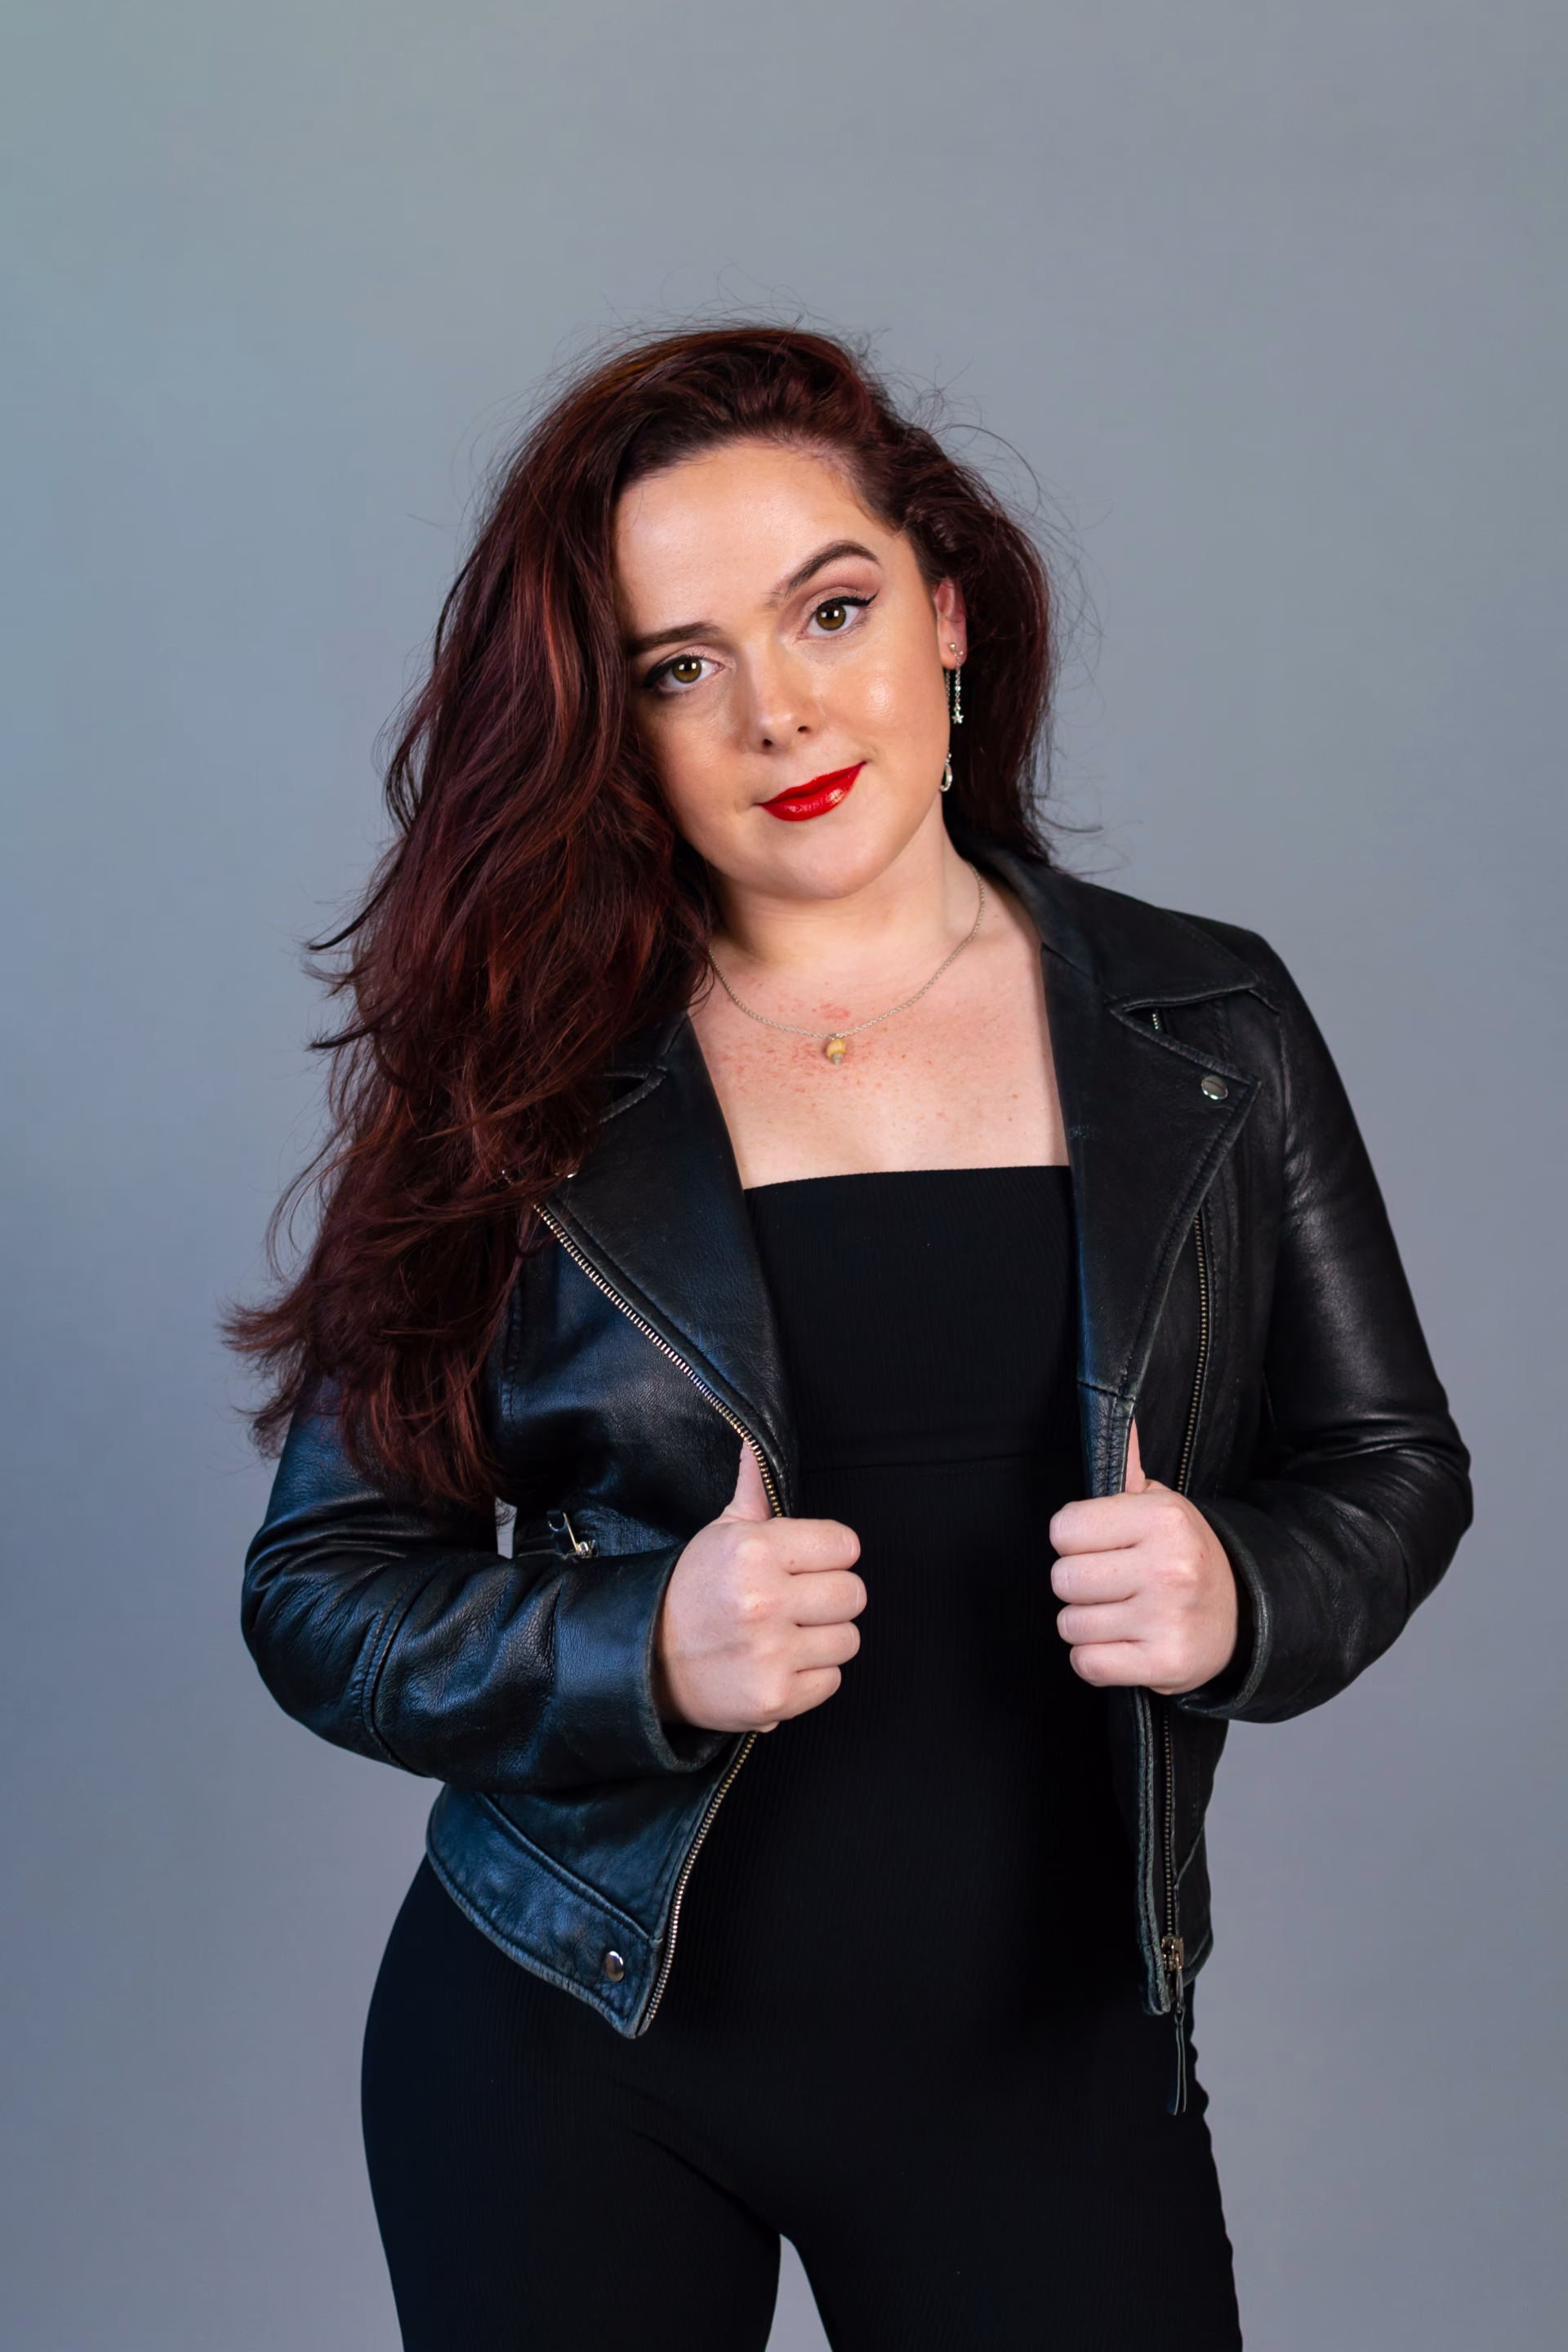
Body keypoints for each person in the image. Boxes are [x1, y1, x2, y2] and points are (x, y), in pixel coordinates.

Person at [234, 326, 1471, 2351]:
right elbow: (321, 1588)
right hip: (573, 2042)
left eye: (831, 610)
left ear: (946, 612)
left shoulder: (1207, 1025)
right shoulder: (523, 1075)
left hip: (1048, 2061)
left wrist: (1244, 1592)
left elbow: (1390, 1467)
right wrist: (642, 1646)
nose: (778, 714)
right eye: (678, 666)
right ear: (614, 727)